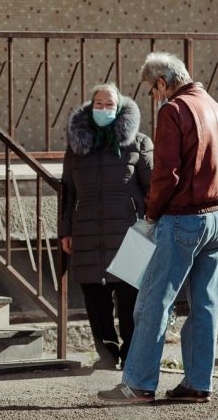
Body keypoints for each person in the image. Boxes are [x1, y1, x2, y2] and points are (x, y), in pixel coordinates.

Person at [98, 52, 218, 404]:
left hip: (181, 217)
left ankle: (139, 383)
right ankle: (197, 382)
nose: (154, 96)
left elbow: (166, 174)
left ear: (163, 82)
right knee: (205, 304)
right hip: (217, 218)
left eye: (152, 89)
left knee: (152, 302)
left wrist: (150, 212)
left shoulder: (174, 110)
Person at [60, 83, 153, 370]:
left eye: (109, 103)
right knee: (95, 299)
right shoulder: (77, 149)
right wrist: (65, 229)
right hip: (87, 232)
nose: (103, 109)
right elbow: (67, 191)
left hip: (130, 234)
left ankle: (132, 357)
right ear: (90, 108)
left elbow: (153, 189)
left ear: (120, 106)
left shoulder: (138, 143)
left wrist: (152, 227)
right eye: (98, 104)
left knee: (129, 300)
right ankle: (107, 355)